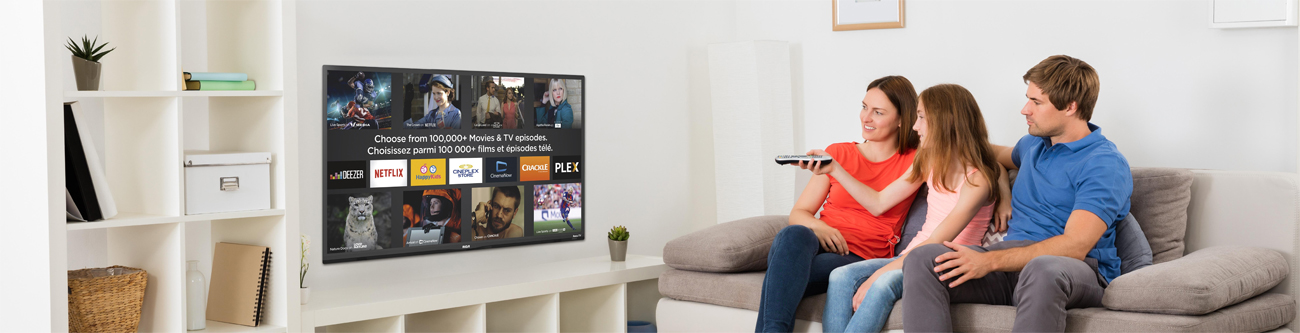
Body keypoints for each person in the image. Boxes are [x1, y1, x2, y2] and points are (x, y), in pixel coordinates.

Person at [901, 55, 1131, 333]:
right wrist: (1003, 193)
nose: (1025, 109)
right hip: (1012, 261)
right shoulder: (1033, 145)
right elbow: (986, 153)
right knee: (924, 259)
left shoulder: (1103, 164)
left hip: (1076, 269)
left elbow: (1075, 245)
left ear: (1070, 107)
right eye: (1028, 99)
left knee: (1042, 269)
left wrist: (988, 260)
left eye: (1036, 102)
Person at [818, 84, 1012, 333]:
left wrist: (878, 274)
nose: (914, 126)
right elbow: (879, 202)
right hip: (910, 255)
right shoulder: (928, 160)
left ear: (945, 122)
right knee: (840, 276)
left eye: (921, 118)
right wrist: (835, 169)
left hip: (940, 263)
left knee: (881, 285)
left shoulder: (977, 180)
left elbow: (936, 241)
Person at [755, 76, 921, 333]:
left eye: (878, 112)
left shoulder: (916, 159)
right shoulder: (839, 152)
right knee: (794, 233)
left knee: (781, 275)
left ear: (902, 119)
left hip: (858, 256)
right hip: (818, 243)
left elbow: (974, 150)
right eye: (864, 107)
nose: (866, 118)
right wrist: (820, 228)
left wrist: (1000, 182)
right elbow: (798, 213)